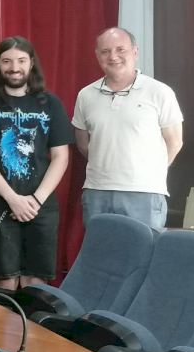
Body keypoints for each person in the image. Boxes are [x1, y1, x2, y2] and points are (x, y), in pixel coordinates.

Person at [0, 37, 72, 290]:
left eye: (21, 61)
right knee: (4, 279)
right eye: (7, 61)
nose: (14, 68)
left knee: (36, 281)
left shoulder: (51, 103)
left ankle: (34, 320)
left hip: (41, 204)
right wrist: (12, 199)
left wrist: (35, 200)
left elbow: (61, 157)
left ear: (31, 63)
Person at [72, 28, 183, 232]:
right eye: (105, 51)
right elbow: (83, 144)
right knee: (101, 250)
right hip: (97, 193)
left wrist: (148, 171)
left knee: (143, 251)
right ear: (97, 56)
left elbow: (175, 142)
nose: (113, 56)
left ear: (135, 52)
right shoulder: (85, 95)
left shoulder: (160, 92)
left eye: (120, 49)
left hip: (144, 194)